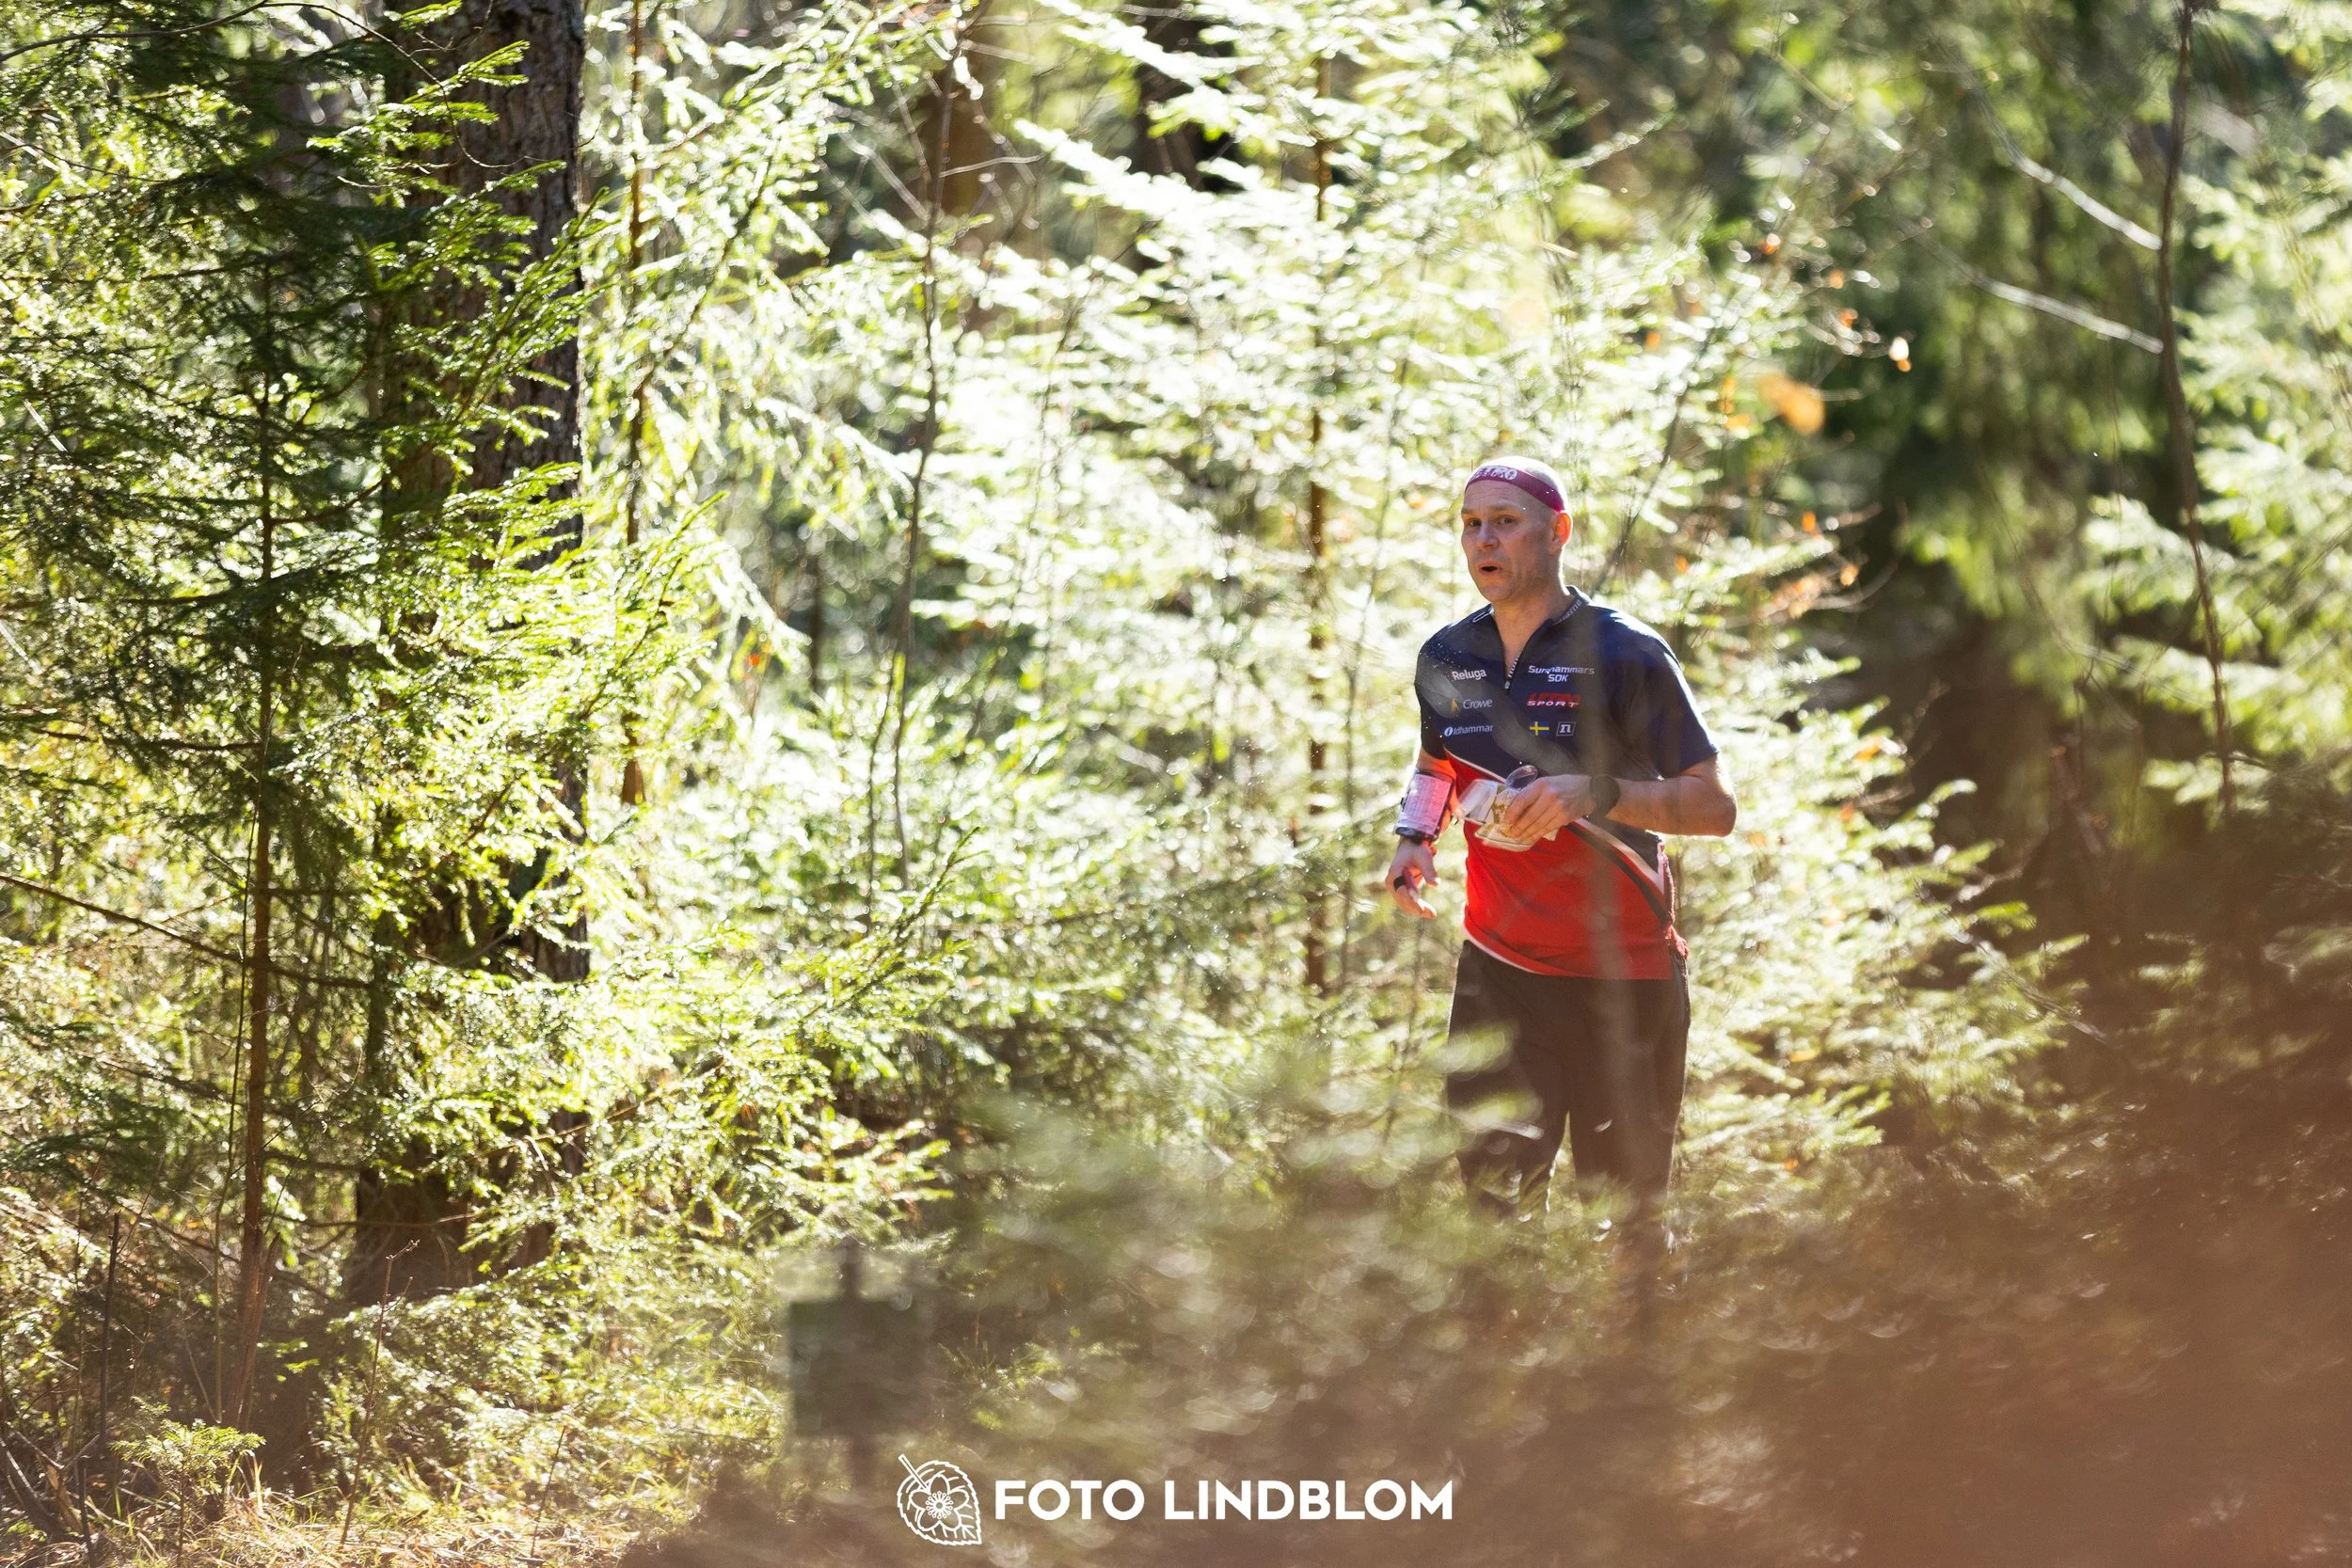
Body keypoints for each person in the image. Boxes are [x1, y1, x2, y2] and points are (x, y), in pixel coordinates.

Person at [1384, 456, 1736, 1224]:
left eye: (1506, 522)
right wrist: (1416, 834)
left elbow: (1715, 808)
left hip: (1625, 978)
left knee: (1625, 1228)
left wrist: (1596, 793)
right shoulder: (1447, 657)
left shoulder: (1626, 653)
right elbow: (1437, 759)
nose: (1484, 539)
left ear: (1557, 532)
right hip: (1499, 973)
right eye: (1471, 524)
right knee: (1494, 1217)